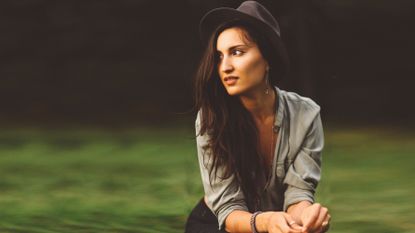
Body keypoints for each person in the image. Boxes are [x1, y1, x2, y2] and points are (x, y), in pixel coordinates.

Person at [185, 1, 331, 233]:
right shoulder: (211, 118)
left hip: (277, 220)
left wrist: (307, 217)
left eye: (237, 52)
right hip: (218, 223)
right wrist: (265, 222)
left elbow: (298, 192)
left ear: (268, 60)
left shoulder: (306, 114)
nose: (225, 66)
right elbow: (229, 209)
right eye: (220, 56)